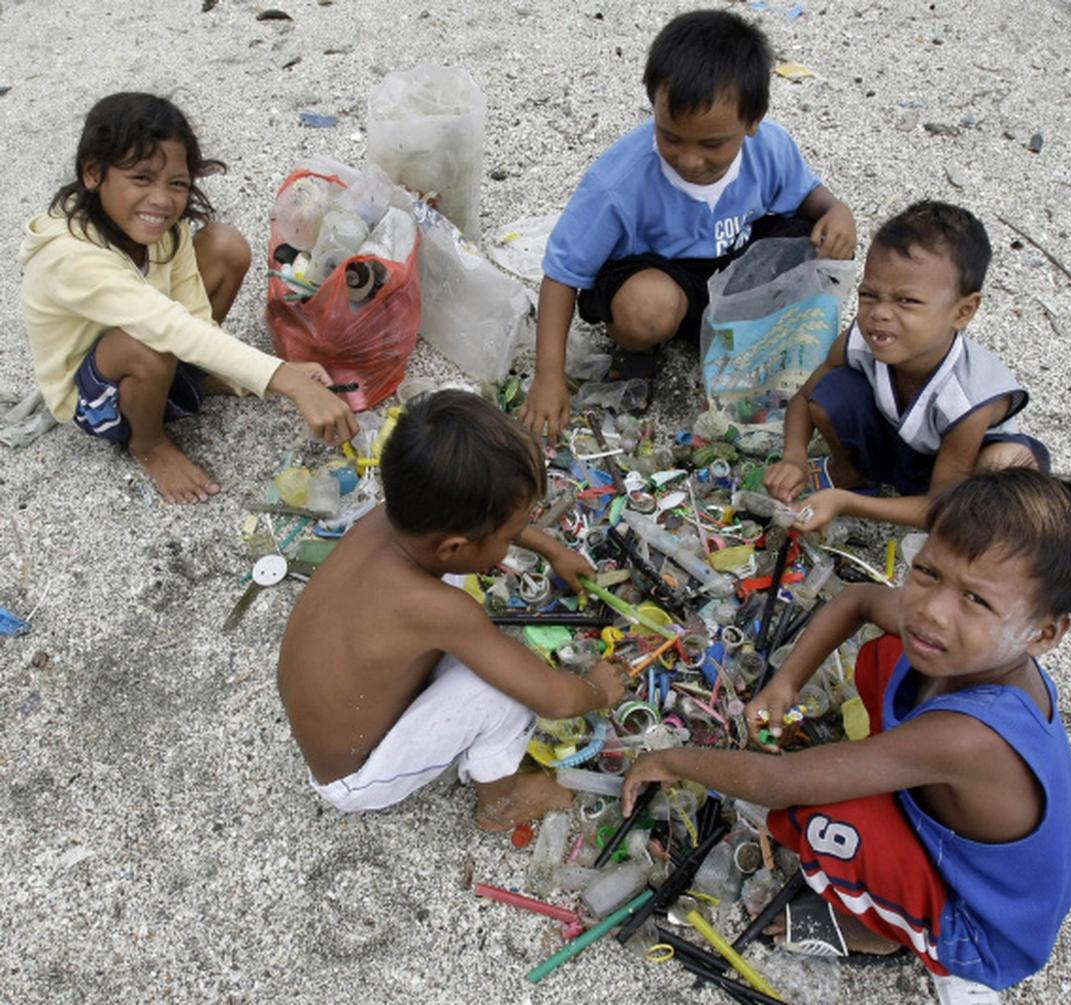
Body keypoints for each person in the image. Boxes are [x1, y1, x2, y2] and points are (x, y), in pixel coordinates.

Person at [622, 469, 1071, 1001]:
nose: (932, 610)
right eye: (927, 571)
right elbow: (860, 601)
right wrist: (786, 682)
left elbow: (778, 783)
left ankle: (884, 934)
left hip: (984, 929)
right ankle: (893, 834)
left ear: (1044, 633)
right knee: (889, 655)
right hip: (1003, 866)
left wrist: (671, 760)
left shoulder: (969, 736)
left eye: (976, 600)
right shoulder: (978, 650)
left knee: (817, 820)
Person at [277, 390, 626, 828]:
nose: (514, 539)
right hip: (356, 778)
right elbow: (555, 699)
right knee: (505, 695)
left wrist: (553, 550)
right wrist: (596, 691)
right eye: (509, 536)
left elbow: (476, 528)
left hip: (332, 710)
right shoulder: (439, 610)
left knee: (462, 605)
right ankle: (501, 805)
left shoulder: (389, 517)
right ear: (454, 546)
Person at [519, 9, 856, 439]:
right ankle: (641, 347)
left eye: (712, 144)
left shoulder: (771, 148)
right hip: (661, 278)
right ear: (654, 109)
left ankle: (755, 343)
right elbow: (563, 274)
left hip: (735, 270)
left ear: (753, 121)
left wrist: (836, 209)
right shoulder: (618, 182)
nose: (691, 160)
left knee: (820, 244)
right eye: (671, 137)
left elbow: (808, 195)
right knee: (647, 308)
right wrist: (548, 375)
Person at [19, 92, 358, 504]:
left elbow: (195, 320)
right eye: (141, 178)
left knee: (225, 246)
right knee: (147, 345)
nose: (162, 200)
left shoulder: (167, 229)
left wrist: (258, 378)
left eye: (177, 183)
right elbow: (166, 326)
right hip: (92, 397)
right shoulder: (68, 258)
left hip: (157, 338)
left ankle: (199, 376)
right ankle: (149, 443)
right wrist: (286, 379)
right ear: (93, 173)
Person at [763, 200, 1048, 532]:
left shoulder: (965, 396)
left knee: (1003, 472)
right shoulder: (860, 341)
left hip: (961, 468)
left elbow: (939, 506)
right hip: (904, 448)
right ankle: (855, 473)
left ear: (963, 312)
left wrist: (846, 503)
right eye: (869, 295)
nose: (880, 314)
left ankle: (949, 523)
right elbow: (802, 398)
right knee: (832, 390)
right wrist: (794, 457)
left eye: (907, 301)